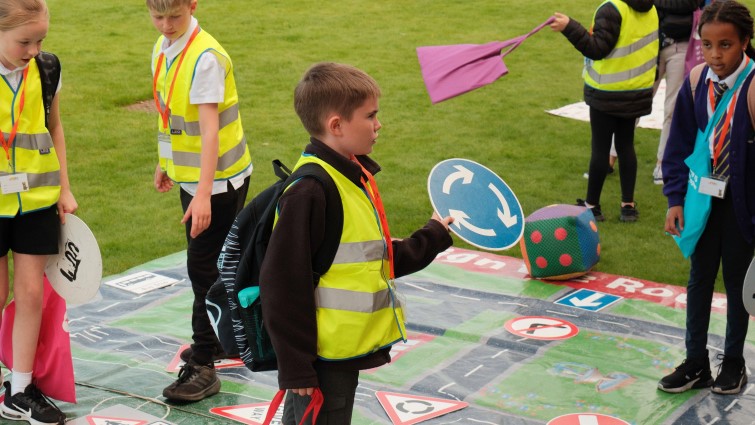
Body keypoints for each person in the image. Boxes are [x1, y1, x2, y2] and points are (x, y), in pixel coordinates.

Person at [259, 62, 454, 424]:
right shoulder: (311, 192)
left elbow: (374, 259)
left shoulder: (350, 175)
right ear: (336, 126)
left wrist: (432, 236)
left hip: (338, 350)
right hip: (320, 356)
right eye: (370, 116)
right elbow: (281, 283)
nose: (378, 125)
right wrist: (297, 365)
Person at [147, 0, 252, 402]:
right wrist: (165, 160)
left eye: (174, 15)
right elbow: (168, 113)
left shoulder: (206, 58)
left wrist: (204, 193)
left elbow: (209, 132)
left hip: (218, 181)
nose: (166, 24)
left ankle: (204, 362)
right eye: (157, 16)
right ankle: (224, 336)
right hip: (195, 178)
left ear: (192, 5)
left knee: (202, 266)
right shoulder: (163, 47)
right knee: (213, 261)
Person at [659, 0, 755, 395]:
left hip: (743, 209)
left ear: (746, 42)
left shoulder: (752, 88)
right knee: (699, 280)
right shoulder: (698, 81)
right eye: (709, 44)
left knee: (738, 285)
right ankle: (696, 361)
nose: (716, 55)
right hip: (702, 203)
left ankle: (733, 362)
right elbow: (679, 143)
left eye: (726, 45)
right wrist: (675, 199)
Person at [0, 0, 75, 423]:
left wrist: (64, 187)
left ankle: (21, 387)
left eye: (40, 39)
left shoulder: (47, 68)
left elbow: (55, 126)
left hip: (38, 202)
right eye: (23, 41)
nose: (33, 49)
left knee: (31, 295)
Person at [550, 0, 659, 222]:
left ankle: (592, 206)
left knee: (600, 149)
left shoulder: (612, 9)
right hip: (635, 91)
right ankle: (628, 206)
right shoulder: (651, 8)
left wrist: (569, 27)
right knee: (625, 145)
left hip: (606, 91)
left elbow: (596, 49)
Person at [652, 0, 708, 185]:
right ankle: (610, 157)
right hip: (652, 44)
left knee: (672, 107)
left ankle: (662, 162)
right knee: (637, 101)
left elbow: (690, 3)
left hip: (681, 46)